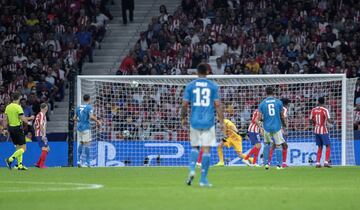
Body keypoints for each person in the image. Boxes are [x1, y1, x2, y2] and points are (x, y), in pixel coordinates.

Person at [181, 63, 224, 187]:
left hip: (194, 121)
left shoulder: (190, 86)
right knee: (206, 150)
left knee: (195, 148)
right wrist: (221, 122)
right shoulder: (213, 86)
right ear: (208, 72)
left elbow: (184, 105)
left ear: (197, 72)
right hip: (208, 122)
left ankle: (192, 170)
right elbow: (217, 105)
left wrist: (183, 118)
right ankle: (203, 179)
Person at [256, 87, 287, 170]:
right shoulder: (278, 102)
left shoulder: (262, 103)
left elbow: (258, 118)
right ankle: (279, 165)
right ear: (273, 92)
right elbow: (281, 115)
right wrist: (284, 125)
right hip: (277, 126)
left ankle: (266, 164)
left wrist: (260, 128)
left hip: (266, 127)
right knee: (278, 145)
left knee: (266, 144)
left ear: (265, 93)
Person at [4, 92, 34, 170]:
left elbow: (5, 119)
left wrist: (4, 129)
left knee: (18, 148)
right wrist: (30, 119)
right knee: (23, 148)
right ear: (19, 98)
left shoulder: (8, 107)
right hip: (18, 128)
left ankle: (19, 165)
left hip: (11, 128)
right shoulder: (18, 107)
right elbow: (22, 118)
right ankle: (9, 160)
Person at [74, 94, 101, 167]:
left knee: (81, 143)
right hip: (86, 127)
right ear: (89, 99)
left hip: (79, 127)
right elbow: (91, 116)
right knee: (87, 144)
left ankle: (79, 161)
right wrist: (98, 121)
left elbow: (74, 118)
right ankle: (87, 162)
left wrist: (80, 121)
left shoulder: (78, 107)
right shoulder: (89, 107)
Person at [310, 97, 332, 168]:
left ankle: (317, 163)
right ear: (324, 102)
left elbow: (310, 120)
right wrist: (334, 122)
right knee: (328, 146)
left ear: (318, 102)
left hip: (316, 130)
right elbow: (329, 120)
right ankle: (326, 162)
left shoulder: (313, 110)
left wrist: (314, 123)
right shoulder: (325, 110)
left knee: (320, 147)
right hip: (323, 130)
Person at [34, 103, 49, 168]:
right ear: (45, 108)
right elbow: (41, 125)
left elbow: (34, 125)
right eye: (46, 108)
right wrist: (43, 135)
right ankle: (41, 164)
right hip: (41, 134)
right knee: (45, 148)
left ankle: (38, 163)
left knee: (47, 149)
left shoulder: (38, 115)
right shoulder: (42, 114)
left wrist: (36, 132)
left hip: (38, 133)